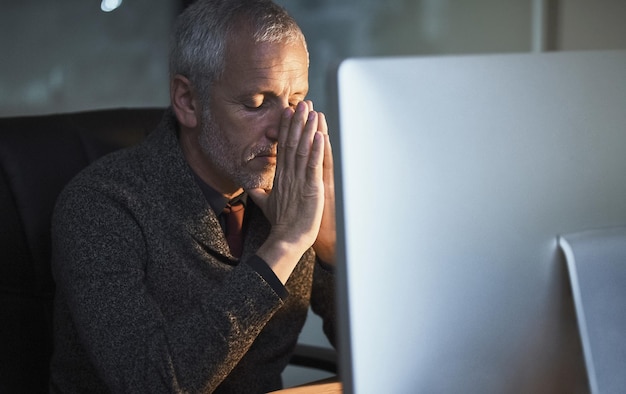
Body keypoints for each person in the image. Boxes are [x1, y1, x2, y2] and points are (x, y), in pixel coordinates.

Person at [49, 0, 336, 392]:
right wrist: (284, 245)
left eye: (294, 100)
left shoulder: (294, 193)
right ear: (187, 101)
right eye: (256, 104)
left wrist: (335, 254)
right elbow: (152, 383)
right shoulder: (99, 205)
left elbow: (384, 351)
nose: (281, 129)